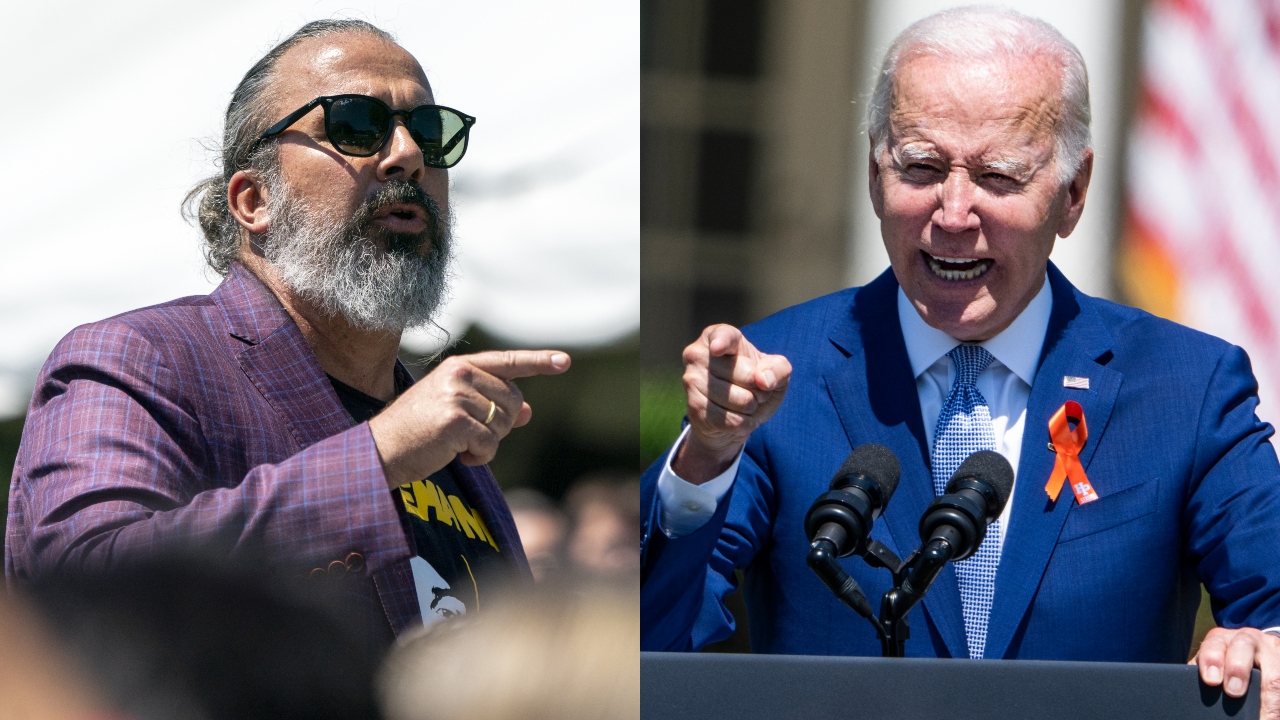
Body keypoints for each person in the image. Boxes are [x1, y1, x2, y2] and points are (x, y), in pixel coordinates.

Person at [639, 5, 1280, 712]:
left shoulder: (1185, 385)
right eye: (920, 167)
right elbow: (653, 643)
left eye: (999, 176)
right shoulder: (779, 378)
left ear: (1072, 193)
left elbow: (1273, 604)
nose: (951, 212)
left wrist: (1264, 641)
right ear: (874, 175)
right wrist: (705, 461)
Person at [5, 19, 571, 646]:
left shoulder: (444, 435)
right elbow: (90, 583)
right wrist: (379, 454)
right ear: (253, 201)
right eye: (356, 125)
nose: (408, 153)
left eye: (432, 132)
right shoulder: (138, 357)